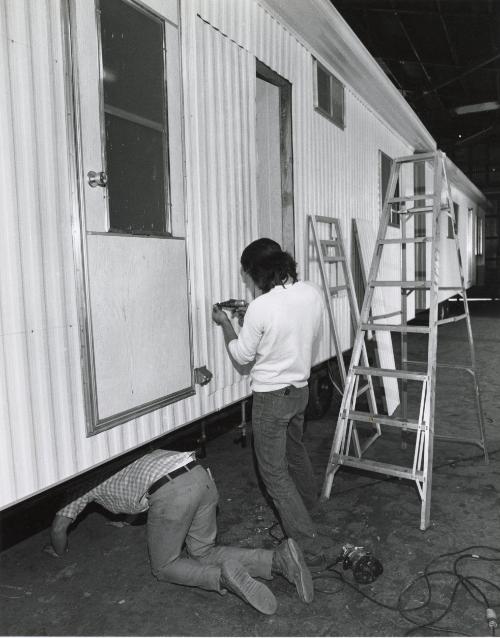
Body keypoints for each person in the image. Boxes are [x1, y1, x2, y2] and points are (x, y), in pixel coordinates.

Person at [46, 448, 314, 614]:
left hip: (171, 493)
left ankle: (221, 578)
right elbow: (134, 486)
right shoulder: (121, 448)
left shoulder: (78, 484)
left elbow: (59, 528)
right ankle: (277, 561)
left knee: (164, 566)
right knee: (203, 550)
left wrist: (57, 551)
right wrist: (127, 521)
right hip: (199, 475)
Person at [212, 238, 326, 570]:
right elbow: (289, 325)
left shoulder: (263, 307)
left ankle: (306, 545)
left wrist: (227, 325)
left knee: (274, 474)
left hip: (272, 399)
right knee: (295, 451)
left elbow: (242, 356)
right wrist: (254, 318)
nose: (248, 281)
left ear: (259, 271)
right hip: (299, 391)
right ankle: (309, 507)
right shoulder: (310, 293)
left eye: (248, 275)